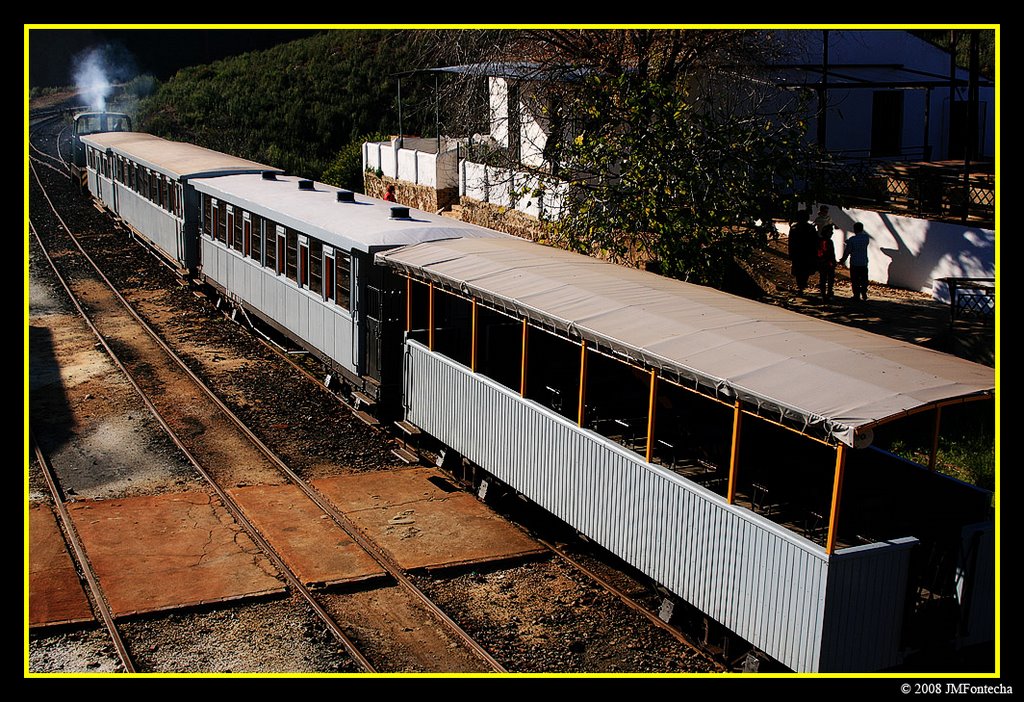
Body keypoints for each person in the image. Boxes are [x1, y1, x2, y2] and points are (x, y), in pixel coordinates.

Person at [787, 209, 817, 295]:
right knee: (804, 271)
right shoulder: (810, 228)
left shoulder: (794, 228)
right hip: (806, 253)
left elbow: (791, 242)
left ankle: (801, 286)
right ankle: (802, 285)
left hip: (799, 253)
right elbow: (814, 242)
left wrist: (791, 253)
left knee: (800, 271)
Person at [839, 222, 871, 301]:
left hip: (855, 262)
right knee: (864, 279)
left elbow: (847, 251)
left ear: (854, 229)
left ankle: (856, 295)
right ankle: (864, 293)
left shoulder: (852, 240)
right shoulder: (866, 238)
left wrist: (843, 260)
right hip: (863, 262)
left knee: (855, 279)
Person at [816, 225, 837, 302]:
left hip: (822, 262)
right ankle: (828, 293)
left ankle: (824, 294)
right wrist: (832, 261)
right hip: (827, 263)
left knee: (823, 279)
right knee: (829, 279)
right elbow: (831, 253)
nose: (832, 233)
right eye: (830, 232)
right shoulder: (828, 242)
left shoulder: (819, 240)